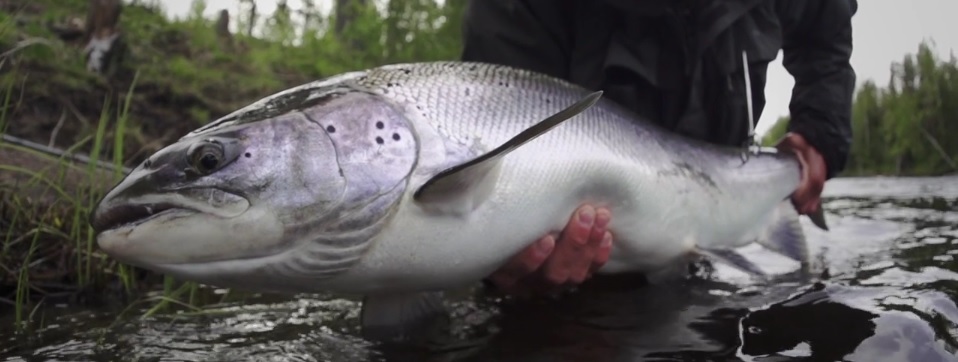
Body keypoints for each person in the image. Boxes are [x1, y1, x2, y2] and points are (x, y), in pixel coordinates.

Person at [459, 0, 858, 297]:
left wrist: (820, 133)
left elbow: (825, 36)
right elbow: (490, 147)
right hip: (572, 279)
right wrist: (494, 256)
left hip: (710, 221)